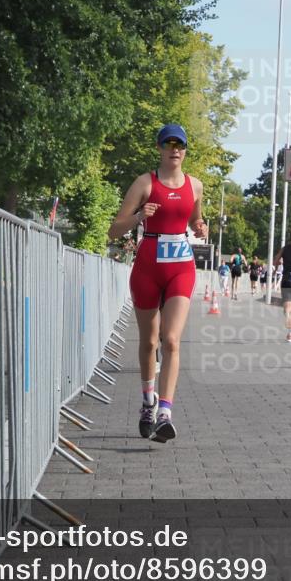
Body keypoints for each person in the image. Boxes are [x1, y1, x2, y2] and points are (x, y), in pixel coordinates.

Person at [108, 123, 207, 442]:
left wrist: (201, 226)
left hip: (181, 266)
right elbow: (114, 230)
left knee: (172, 340)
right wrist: (139, 216)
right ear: (160, 148)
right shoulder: (144, 183)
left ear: (185, 150)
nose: (174, 149)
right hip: (148, 267)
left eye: (180, 145)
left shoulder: (196, 186)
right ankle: (148, 402)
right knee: (150, 342)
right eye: (169, 144)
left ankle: (165, 411)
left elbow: (193, 219)